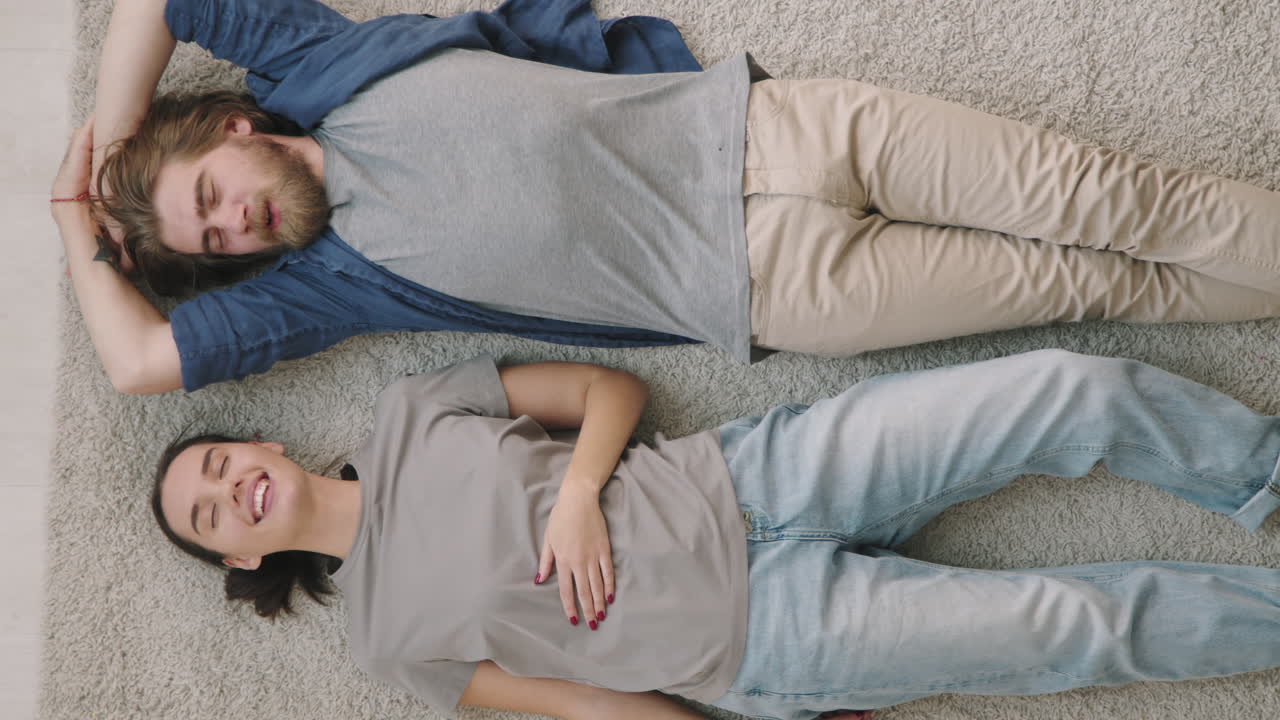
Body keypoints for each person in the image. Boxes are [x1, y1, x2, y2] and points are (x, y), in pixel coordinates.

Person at [59, 0, 1280, 395]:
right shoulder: (328, 283)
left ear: (234, 126)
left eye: (210, 196)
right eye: (212, 240)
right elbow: (137, 363)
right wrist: (88, 232)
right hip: (778, 285)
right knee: (1099, 284)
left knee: (1121, 196)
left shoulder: (318, 65)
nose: (231, 227)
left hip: (780, 127)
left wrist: (113, 160)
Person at [155, 350, 1280, 720]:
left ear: (260, 446)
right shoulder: (385, 645)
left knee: (1064, 389)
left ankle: (1259, 472)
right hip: (769, 642)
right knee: (1077, 624)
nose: (228, 492)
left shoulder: (409, 410)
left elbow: (607, 389)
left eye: (217, 465)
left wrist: (579, 493)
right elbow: (582, 706)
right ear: (243, 560)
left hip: (748, 476)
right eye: (208, 521)